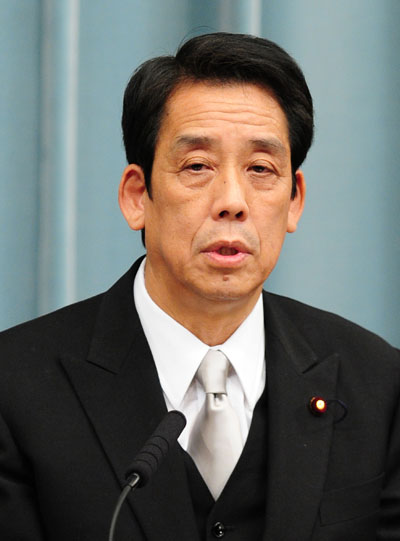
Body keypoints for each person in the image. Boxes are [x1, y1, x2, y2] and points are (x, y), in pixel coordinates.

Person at [0, 32, 399, 541]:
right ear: (137, 196)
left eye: (260, 169)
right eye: (197, 167)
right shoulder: (15, 388)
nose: (232, 201)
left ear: (294, 200)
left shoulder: (377, 385)